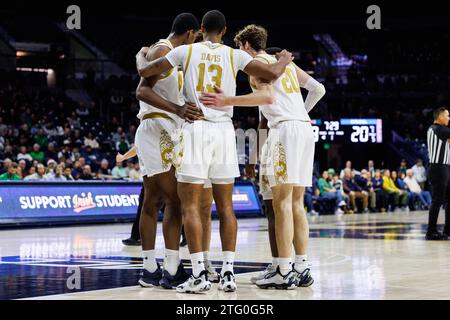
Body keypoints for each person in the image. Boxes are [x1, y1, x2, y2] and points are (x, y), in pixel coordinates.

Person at [136, 10, 294, 293]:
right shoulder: (234, 55)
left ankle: (198, 274)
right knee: (226, 207)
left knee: (191, 206)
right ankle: (228, 272)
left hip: (195, 128)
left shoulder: (186, 50)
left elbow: (145, 73)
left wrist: (142, 55)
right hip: (223, 131)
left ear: (201, 30)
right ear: (223, 32)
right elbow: (270, 73)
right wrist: (283, 60)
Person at [201, 26, 325, 289]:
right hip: (304, 129)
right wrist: (299, 112)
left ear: (245, 45)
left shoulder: (256, 64)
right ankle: (301, 267)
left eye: (238, 47)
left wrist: (227, 101)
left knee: (280, 205)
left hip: (285, 131)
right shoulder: (286, 64)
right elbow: (318, 89)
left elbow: (266, 97)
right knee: (296, 203)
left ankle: (283, 270)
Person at [134, 13, 213, 291]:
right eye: (196, 38)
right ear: (190, 33)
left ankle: (153, 268)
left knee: (154, 200)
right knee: (174, 200)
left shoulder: (168, 53)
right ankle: (166, 267)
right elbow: (142, 91)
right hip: (157, 126)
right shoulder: (163, 50)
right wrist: (178, 109)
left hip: (164, 129)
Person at [425, 107, 450, 240]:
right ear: (440, 117)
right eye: (447, 116)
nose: (449, 118)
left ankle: (447, 230)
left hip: (444, 168)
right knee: (437, 200)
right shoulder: (437, 129)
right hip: (438, 168)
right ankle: (431, 231)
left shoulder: (440, 131)